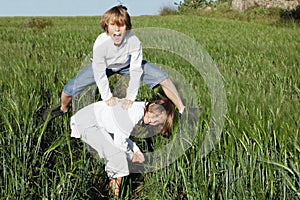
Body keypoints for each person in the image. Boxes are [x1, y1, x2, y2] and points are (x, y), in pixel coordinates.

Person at [43, 5, 185, 121]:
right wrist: (107, 97)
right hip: (103, 67)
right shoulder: (101, 42)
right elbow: (99, 74)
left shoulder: (134, 41)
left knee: (164, 79)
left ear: (127, 27)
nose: (117, 29)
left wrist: (130, 97)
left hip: (127, 65)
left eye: (121, 25)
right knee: (68, 90)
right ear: (106, 27)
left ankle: (183, 111)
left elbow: (136, 70)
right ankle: (63, 109)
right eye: (113, 25)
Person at [70, 96, 175, 197]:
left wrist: (136, 151)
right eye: (154, 116)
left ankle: (111, 188)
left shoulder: (138, 109)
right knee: (118, 158)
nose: (152, 121)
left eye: (157, 122)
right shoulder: (136, 114)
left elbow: (121, 135)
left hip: (90, 121)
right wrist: (132, 156)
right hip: (86, 124)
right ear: (152, 106)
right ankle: (113, 194)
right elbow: (120, 142)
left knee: (118, 157)